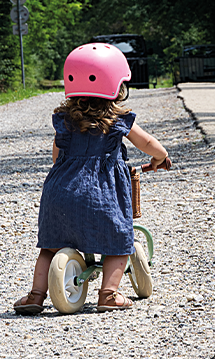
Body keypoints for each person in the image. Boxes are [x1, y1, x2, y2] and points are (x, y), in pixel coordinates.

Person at [14, 42, 172, 314]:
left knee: (49, 248)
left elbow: (56, 156)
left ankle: (36, 295)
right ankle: (109, 294)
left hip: (59, 193)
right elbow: (148, 144)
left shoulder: (64, 120)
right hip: (103, 195)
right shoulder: (119, 119)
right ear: (116, 85)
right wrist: (160, 157)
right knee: (118, 243)